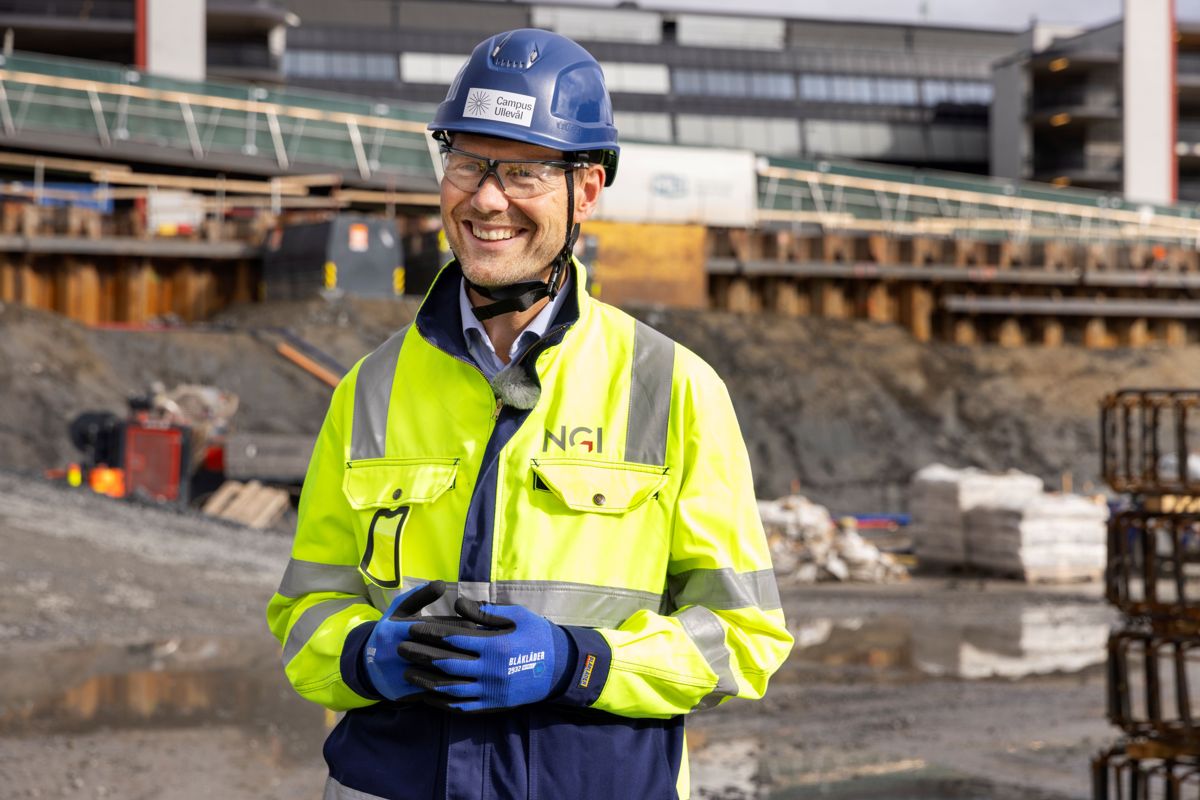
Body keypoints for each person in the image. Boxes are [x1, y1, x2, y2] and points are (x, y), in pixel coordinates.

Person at [266, 27, 793, 800]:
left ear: (586, 190)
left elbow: (745, 640)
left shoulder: (672, 388)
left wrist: (578, 663)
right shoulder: (369, 390)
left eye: (522, 170)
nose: (486, 197)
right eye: (469, 163)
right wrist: (365, 654)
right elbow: (306, 609)